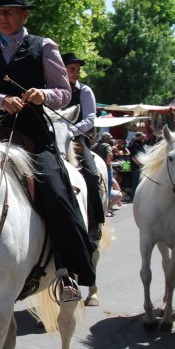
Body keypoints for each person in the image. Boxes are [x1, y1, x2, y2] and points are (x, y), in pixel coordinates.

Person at [0, 0, 97, 295]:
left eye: (10, 12)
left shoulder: (45, 48)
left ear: (24, 14)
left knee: (56, 189)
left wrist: (43, 94)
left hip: (32, 135)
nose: (2, 17)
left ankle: (67, 268)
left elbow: (63, 93)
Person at [61, 52, 105, 240]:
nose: (76, 73)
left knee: (91, 173)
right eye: (72, 69)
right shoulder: (50, 90)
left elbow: (89, 119)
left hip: (77, 140)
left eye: (77, 70)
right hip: (53, 139)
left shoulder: (85, 92)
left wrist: (70, 131)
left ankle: (95, 220)